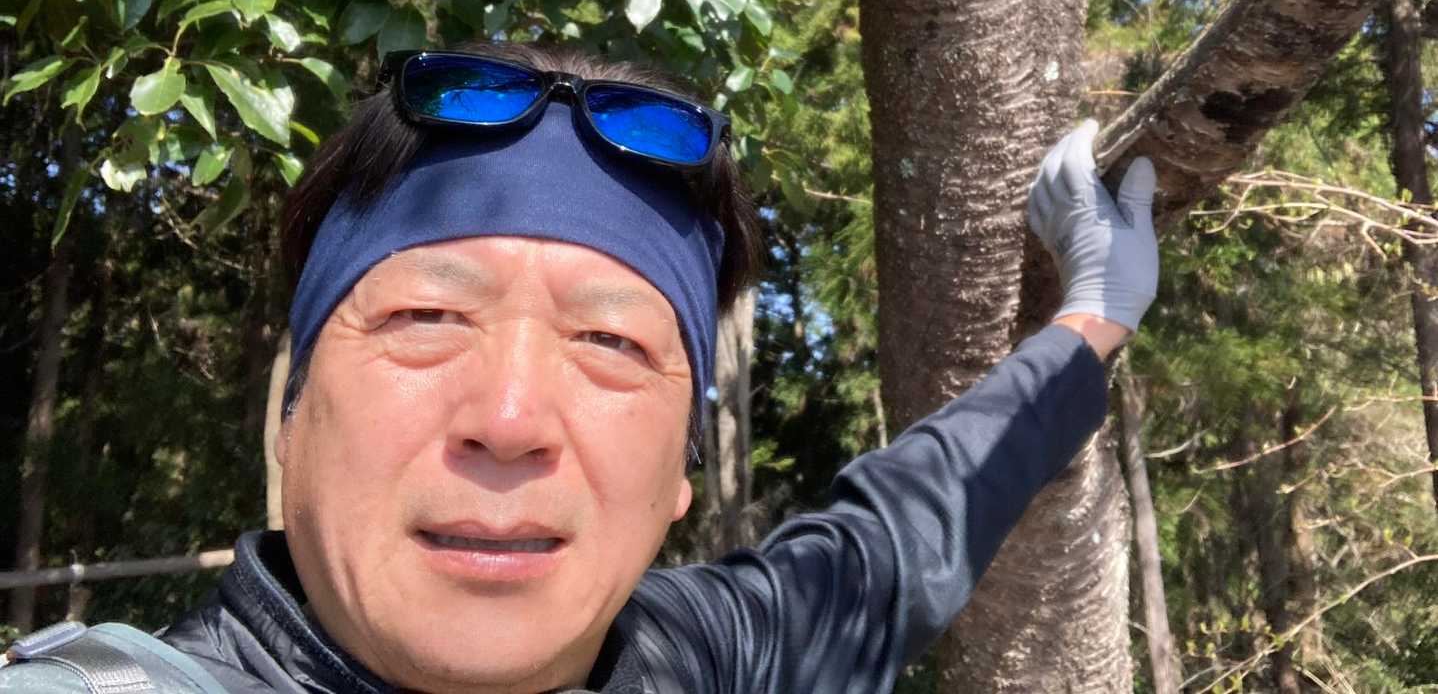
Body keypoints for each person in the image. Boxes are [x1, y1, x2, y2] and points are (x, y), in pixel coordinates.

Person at [0, 42, 1158, 694]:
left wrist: (1094, 317)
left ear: (678, 477)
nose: (510, 416)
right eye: (424, 316)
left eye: (610, 342)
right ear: (289, 417)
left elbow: (900, 537)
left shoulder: (696, 661)